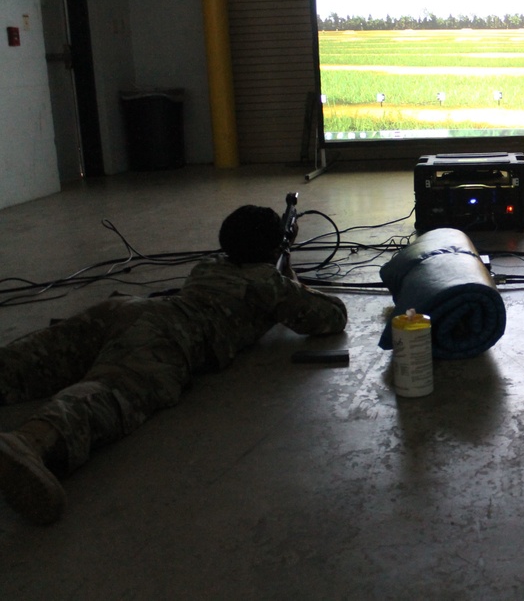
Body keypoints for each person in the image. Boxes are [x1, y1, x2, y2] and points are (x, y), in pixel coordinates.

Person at [0, 205, 348, 525]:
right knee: (108, 393)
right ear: (275, 248)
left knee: (33, 357)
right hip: (168, 339)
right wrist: (288, 273)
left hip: (128, 309)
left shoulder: (208, 266)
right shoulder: (268, 283)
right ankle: (31, 442)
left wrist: (277, 263)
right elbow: (331, 316)